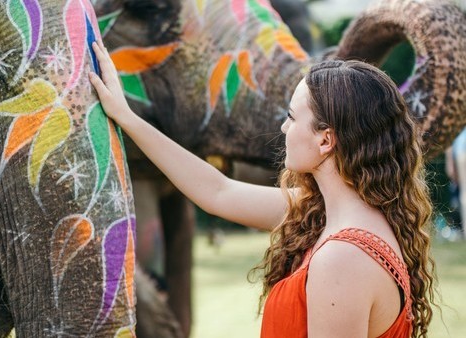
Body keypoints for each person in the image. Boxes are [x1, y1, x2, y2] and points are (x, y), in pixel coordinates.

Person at [89, 41, 436, 337]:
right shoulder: (329, 214)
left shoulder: (344, 258)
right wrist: (127, 117)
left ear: (326, 139)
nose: (284, 127)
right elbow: (218, 192)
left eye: (292, 116)